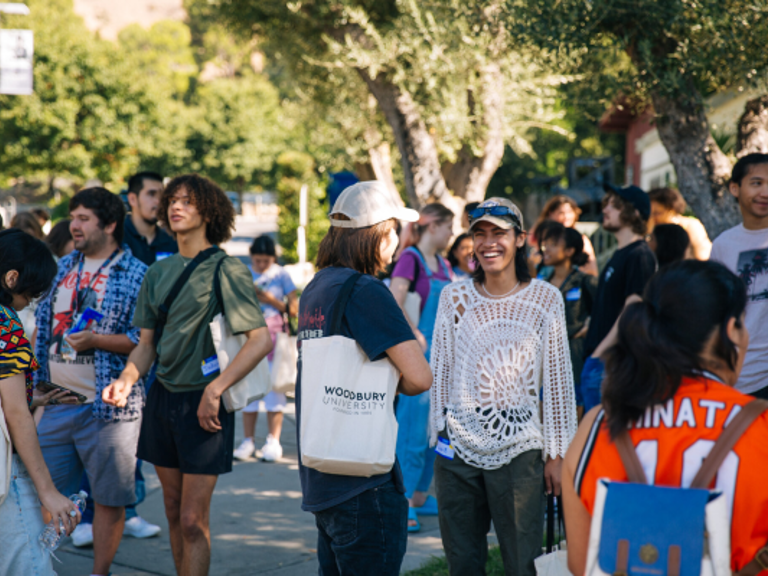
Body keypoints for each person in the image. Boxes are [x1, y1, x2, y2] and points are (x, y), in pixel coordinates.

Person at [102, 173, 272, 576]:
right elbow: (145, 346)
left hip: (204, 403)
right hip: (162, 398)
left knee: (194, 519)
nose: (176, 207)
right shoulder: (157, 273)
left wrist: (216, 389)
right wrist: (126, 381)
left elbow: (259, 340)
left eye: (187, 201)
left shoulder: (226, 268)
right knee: (174, 511)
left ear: (209, 211)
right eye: (171, 201)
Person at [562, 260, 768, 575]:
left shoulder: (596, 425)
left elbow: (579, 565)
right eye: (742, 323)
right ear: (729, 331)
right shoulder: (760, 427)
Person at [429, 198, 578, 576]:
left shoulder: (545, 299)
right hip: (457, 446)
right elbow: (441, 375)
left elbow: (558, 381)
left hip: (520, 448)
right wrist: (439, 434)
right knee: (462, 562)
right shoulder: (454, 298)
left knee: (523, 563)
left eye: (499, 233)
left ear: (520, 239)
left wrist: (557, 454)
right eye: (480, 234)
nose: (488, 242)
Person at [296, 180, 432, 575]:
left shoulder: (318, 287)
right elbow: (419, 377)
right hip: (365, 482)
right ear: (376, 233)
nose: (397, 242)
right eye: (392, 230)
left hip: (322, 477)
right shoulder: (367, 290)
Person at [33, 188, 148, 576]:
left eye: (83, 218)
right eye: (72, 217)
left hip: (108, 408)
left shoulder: (136, 274)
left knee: (109, 500)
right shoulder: (62, 266)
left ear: (110, 224)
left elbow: (145, 339)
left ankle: (100, 573)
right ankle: (38, 564)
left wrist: (97, 340)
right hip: (56, 402)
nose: (73, 226)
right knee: (38, 491)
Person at [0, 229, 82, 576]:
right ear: (12, 278)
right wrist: (47, 491)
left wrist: (29, 393)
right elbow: (15, 413)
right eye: (31, 295)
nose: (29, 303)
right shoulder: (6, 325)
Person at [389, 202, 454, 531]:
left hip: (442, 362)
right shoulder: (409, 259)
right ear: (433, 226)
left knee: (433, 433)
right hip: (419, 358)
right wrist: (413, 334)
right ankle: (400, 500)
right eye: (448, 227)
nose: (452, 234)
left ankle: (417, 494)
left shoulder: (443, 264)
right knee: (412, 432)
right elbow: (393, 299)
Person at [580, 184, 657, 412]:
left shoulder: (640, 255)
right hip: (600, 360)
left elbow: (633, 308)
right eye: (606, 204)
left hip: (611, 362)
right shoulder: (620, 253)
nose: (606, 209)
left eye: (615, 205)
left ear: (634, 213)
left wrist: (600, 352)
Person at [233, 235, 298, 462]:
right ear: (251, 257)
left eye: (266, 261)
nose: (261, 265)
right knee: (248, 393)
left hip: (274, 341)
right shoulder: (243, 273)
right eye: (258, 261)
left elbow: (294, 309)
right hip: (247, 339)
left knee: (274, 392)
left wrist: (269, 299)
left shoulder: (281, 274)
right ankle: (248, 441)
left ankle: (273, 440)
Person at [710, 153, 768, 399]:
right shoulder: (724, 245)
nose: (765, 192)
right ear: (735, 188)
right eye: (757, 183)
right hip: (739, 376)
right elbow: (715, 310)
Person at [541, 223, 598, 414]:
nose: (545, 249)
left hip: (575, 359)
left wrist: (590, 324)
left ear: (569, 251)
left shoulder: (585, 281)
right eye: (545, 244)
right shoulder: (541, 284)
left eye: (553, 244)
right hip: (544, 362)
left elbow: (604, 310)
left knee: (575, 417)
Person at [531, 195, 598, 276]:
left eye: (569, 212)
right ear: (551, 214)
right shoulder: (543, 235)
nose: (566, 217)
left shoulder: (582, 239)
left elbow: (592, 271)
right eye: (561, 213)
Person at [123, 171, 178, 266]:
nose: (158, 201)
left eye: (161, 195)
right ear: (132, 199)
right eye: (151, 194)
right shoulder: (115, 238)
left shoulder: (172, 243)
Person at [649, 186, 711, 259]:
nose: (652, 218)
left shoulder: (690, 226)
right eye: (650, 214)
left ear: (671, 210)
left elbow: (703, 256)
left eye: (657, 213)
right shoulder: (652, 231)